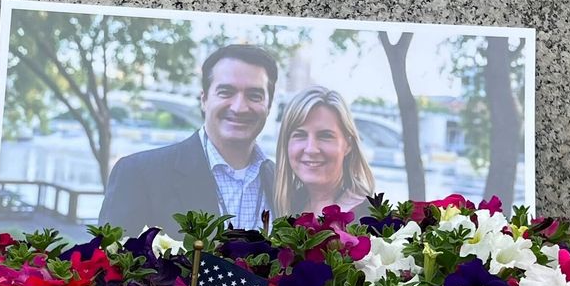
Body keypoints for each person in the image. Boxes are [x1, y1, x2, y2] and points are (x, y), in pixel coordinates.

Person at [98, 44, 278, 233]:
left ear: (269, 106)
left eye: (254, 95)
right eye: (226, 92)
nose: (239, 107)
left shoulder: (283, 184)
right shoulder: (138, 174)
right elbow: (110, 252)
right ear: (204, 100)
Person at [270, 86, 377, 219]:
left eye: (325, 136)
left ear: (348, 144)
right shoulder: (285, 208)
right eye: (300, 135)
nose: (311, 149)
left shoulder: (370, 219)